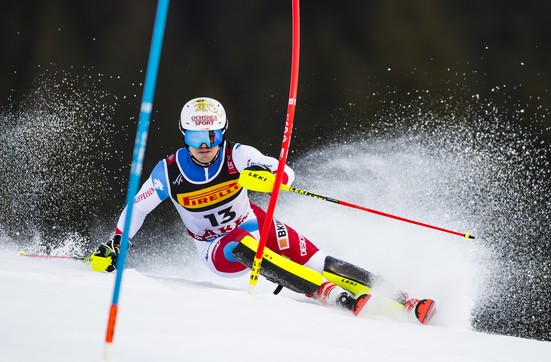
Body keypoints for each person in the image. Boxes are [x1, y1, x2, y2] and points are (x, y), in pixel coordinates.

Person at [91, 97, 435, 324]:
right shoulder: (169, 171)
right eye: (196, 138)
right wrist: (119, 243)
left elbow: (282, 171)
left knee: (321, 261)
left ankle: (405, 299)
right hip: (217, 248)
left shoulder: (237, 155)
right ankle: (324, 292)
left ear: (222, 132)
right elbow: (138, 208)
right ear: (184, 136)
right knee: (246, 245)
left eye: (211, 136)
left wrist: (270, 176)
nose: (205, 147)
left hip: (256, 221)